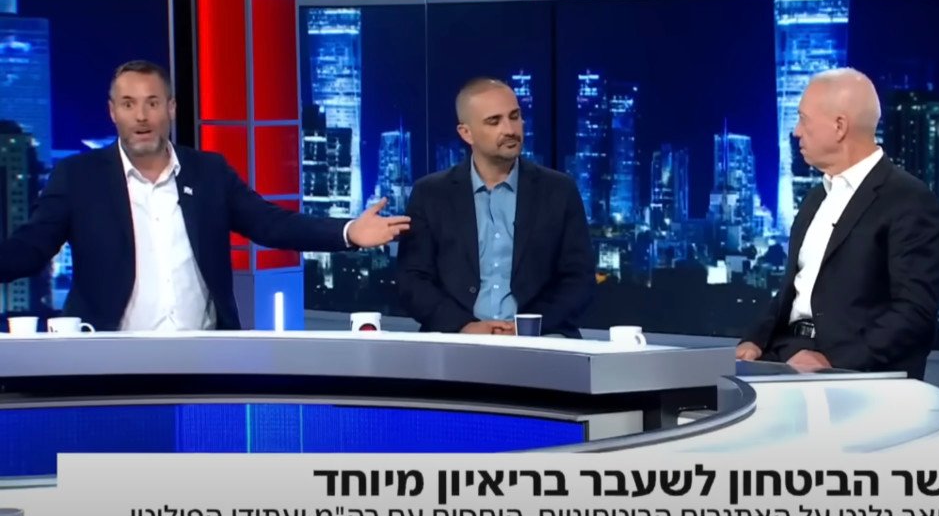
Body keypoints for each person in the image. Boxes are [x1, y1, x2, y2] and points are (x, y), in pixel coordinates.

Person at [0, 60, 410, 331]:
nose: (141, 116)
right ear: (113, 112)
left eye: (152, 103)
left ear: (171, 108)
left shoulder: (208, 172)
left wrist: (348, 232)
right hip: (111, 360)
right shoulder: (79, 177)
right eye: (128, 104)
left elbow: (271, 224)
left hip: (204, 360)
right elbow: (32, 247)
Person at [737, 68, 939, 379]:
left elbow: (913, 313)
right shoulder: (814, 199)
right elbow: (793, 290)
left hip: (854, 373)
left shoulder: (909, 201)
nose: (796, 131)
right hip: (785, 356)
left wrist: (832, 361)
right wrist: (755, 340)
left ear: (839, 126)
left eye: (803, 119)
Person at [398, 77, 595, 337]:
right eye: (494, 121)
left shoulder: (559, 190)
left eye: (515, 116)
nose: (510, 129)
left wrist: (525, 328)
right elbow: (412, 280)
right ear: (466, 133)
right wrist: (464, 326)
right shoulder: (431, 193)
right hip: (456, 340)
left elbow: (579, 279)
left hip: (541, 339)